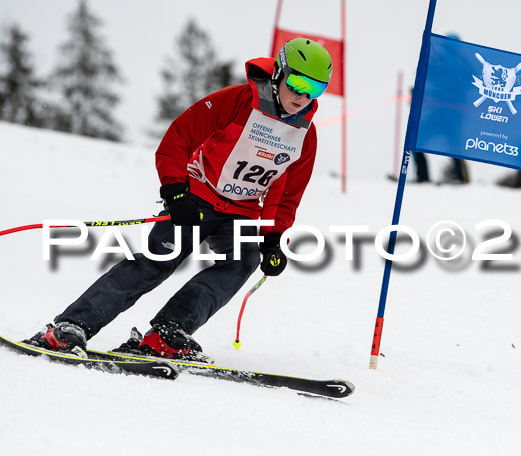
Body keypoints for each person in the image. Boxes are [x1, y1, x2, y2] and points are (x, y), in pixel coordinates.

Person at [24, 38, 333, 361]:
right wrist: (175, 190)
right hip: (197, 196)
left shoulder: (304, 134)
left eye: (315, 89)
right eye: (297, 83)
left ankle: (168, 333)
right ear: (278, 74)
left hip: (241, 211)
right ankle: (72, 326)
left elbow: (287, 193)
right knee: (159, 259)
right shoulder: (238, 101)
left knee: (243, 261)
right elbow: (181, 135)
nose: (303, 96)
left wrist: (272, 237)